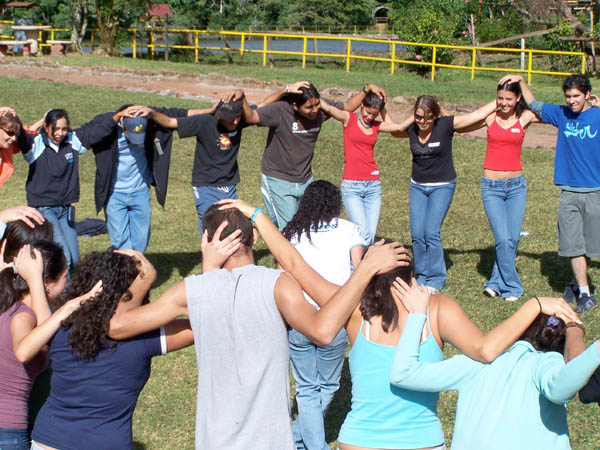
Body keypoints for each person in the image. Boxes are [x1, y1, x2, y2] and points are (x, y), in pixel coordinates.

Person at [216, 200, 578, 450]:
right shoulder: (437, 310)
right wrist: (534, 305)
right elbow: (485, 350)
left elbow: (294, 264)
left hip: (360, 439)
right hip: (421, 440)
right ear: (413, 272)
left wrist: (257, 215)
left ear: (369, 269)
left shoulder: (355, 309)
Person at [106, 200, 407, 449]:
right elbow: (323, 330)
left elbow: (117, 326)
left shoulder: (192, 291)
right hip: (271, 441)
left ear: (207, 241)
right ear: (253, 238)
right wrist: (365, 269)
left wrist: (145, 277)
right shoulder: (277, 285)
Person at [390, 278, 598, 450]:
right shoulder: (547, 363)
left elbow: (403, 374)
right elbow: (561, 387)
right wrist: (583, 338)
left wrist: (417, 314)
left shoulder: (472, 365)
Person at [25, 249, 193, 450]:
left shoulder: (60, 329)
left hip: (47, 440)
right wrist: (145, 282)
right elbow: (202, 322)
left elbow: (43, 323)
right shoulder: (146, 338)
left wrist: (35, 277)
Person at [136, 83, 302, 233]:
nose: (227, 120)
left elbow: (263, 105)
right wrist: (152, 114)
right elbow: (171, 122)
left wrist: (284, 90)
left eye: (231, 118)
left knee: (229, 227)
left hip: (229, 184)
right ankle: (210, 265)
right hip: (205, 185)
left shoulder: (241, 121)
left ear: (238, 116)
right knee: (211, 229)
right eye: (223, 117)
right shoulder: (204, 122)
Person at [500, 73, 600, 312]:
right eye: (568, 96)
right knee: (573, 244)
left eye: (576, 96)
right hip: (568, 192)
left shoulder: (597, 115)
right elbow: (534, 105)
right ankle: (586, 294)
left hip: (595, 191)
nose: (572, 101)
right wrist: (521, 81)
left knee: (591, 247)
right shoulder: (562, 114)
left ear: (587, 95)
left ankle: (577, 283)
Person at [282, 180, 366, 450]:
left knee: (307, 389)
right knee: (328, 386)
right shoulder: (349, 229)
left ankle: (296, 439)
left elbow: (282, 274)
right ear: (336, 204)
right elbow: (359, 269)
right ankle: (310, 444)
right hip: (336, 318)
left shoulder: (293, 233)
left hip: (299, 319)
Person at [73, 102, 217, 253]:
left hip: (140, 191)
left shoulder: (151, 117)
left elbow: (181, 114)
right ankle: (126, 271)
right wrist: (113, 118)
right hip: (114, 194)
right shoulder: (105, 124)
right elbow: (80, 137)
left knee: (141, 238)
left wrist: (209, 110)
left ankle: (136, 268)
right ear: (122, 124)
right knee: (120, 241)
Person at [242, 82, 387, 230]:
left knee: (308, 226)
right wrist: (243, 96)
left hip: (306, 179)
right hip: (279, 180)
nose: (315, 110)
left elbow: (348, 106)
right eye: (309, 107)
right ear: (295, 106)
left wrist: (366, 89)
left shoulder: (320, 110)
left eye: (317, 104)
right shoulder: (280, 110)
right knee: (289, 229)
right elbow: (251, 116)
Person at [391, 96, 497, 293]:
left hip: (442, 185)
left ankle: (436, 279)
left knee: (431, 232)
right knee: (416, 233)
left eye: (428, 118)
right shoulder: (412, 128)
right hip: (418, 186)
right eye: (419, 117)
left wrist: (498, 101)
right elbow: (393, 130)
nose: (423, 122)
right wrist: (411, 119)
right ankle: (421, 275)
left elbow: (475, 116)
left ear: (436, 115)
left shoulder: (445, 125)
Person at [0, 241, 74, 450]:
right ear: (48, 282)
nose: (67, 285)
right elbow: (46, 341)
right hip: (6, 431)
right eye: (65, 277)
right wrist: (35, 280)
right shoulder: (24, 317)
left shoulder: (7, 304)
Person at [319, 94, 414, 244]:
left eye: (374, 114)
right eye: (368, 112)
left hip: (373, 187)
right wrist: (312, 96)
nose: (370, 117)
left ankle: (360, 263)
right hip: (352, 186)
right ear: (362, 106)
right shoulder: (348, 119)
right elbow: (329, 108)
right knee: (362, 231)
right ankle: (354, 263)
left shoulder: (376, 126)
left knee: (369, 234)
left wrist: (416, 113)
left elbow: (399, 127)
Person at [475, 79, 539, 301]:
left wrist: (521, 80)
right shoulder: (490, 117)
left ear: (518, 98)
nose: (503, 103)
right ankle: (513, 287)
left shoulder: (525, 118)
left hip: (516, 188)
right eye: (499, 98)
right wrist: (494, 105)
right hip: (491, 187)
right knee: (503, 239)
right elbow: (466, 121)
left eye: (508, 99)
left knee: (511, 239)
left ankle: (494, 282)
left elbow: (544, 110)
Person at [0, 108, 44, 189]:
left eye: (15, 134)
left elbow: (25, 136)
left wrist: (43, 121)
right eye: (10, 133)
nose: (13, 138)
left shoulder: (7, 147)